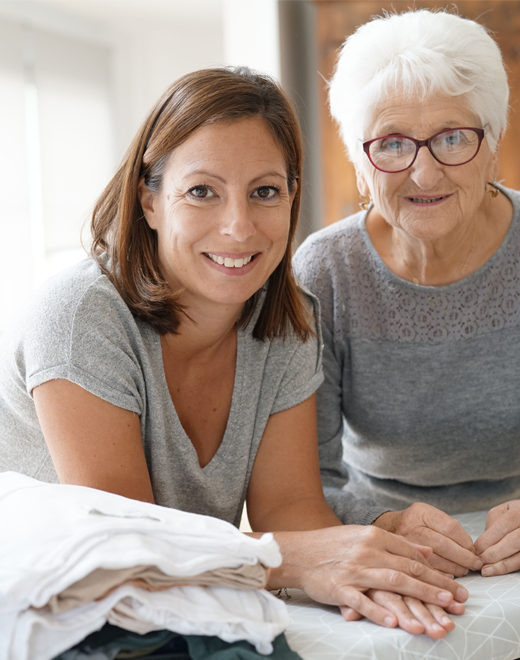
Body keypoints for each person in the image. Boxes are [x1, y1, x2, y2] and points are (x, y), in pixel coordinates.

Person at [0, 67, 465, 638]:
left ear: (293, 197)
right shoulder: (80, 317)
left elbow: (289, 510)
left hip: (164, 621)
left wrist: (377, 555)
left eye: (265, 192)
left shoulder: (288, 320)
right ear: (150, 200)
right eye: (201, 191)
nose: (239, 227)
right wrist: (292, 561)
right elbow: (126, 549)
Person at [294, 8, 520, 592]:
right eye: (392, 144)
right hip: (383, 538)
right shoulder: (324, 272)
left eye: (453, 138)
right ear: (360, 165)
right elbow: (301, 483)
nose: (424, 174)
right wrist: (385, 522)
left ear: (492, 146)